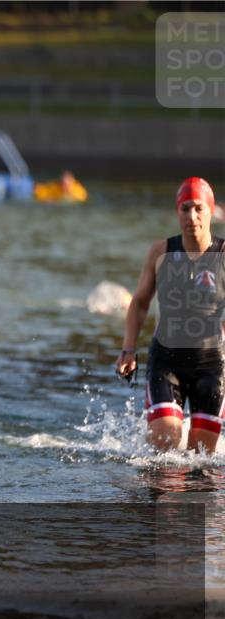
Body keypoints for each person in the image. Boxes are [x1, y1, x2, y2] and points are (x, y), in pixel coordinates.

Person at [116, 177, 222, 454]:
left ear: (211, 210)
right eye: (185, 209)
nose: (192, 217)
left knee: (201, 461)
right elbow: (139, 303)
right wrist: (128, 349)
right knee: (165, 451)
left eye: (199, 208)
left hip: (212, 365)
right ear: (177, 211)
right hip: (166, 361)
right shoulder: (161, 252)